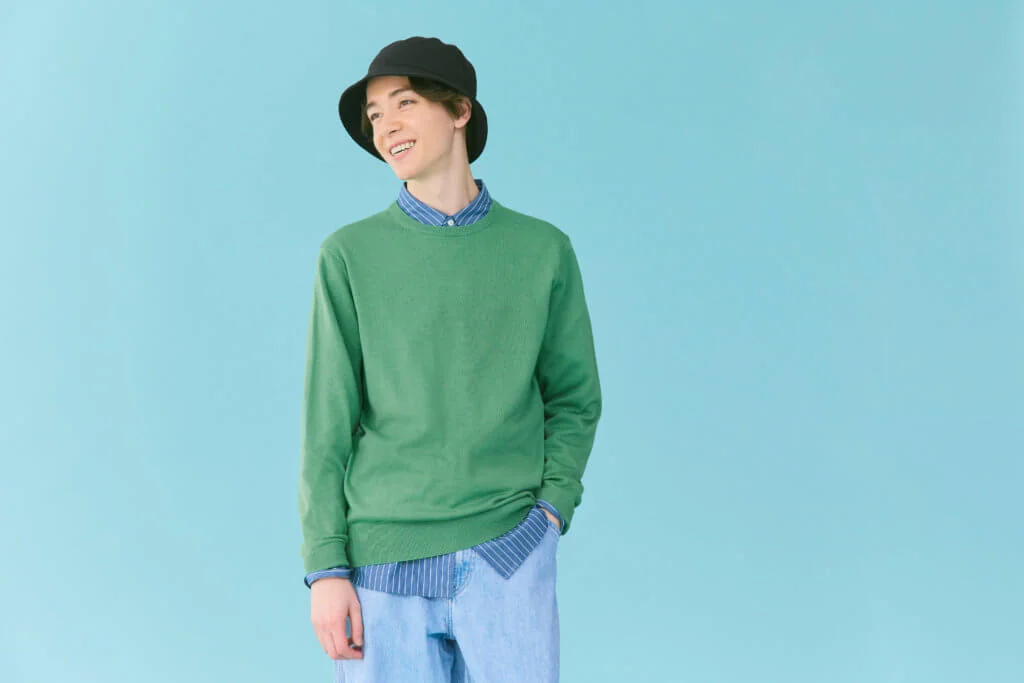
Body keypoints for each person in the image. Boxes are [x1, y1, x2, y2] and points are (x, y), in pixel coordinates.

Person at [297, 36, 602, 682]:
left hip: (509, 552)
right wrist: (325, 567)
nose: (386, 126)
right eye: (375, 115)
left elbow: (575, 399)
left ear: (460, 109)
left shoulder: (542, 251)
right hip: (382, 566)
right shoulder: (348, 255)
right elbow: (326, 426)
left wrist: (550, 512)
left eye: (404, 103)